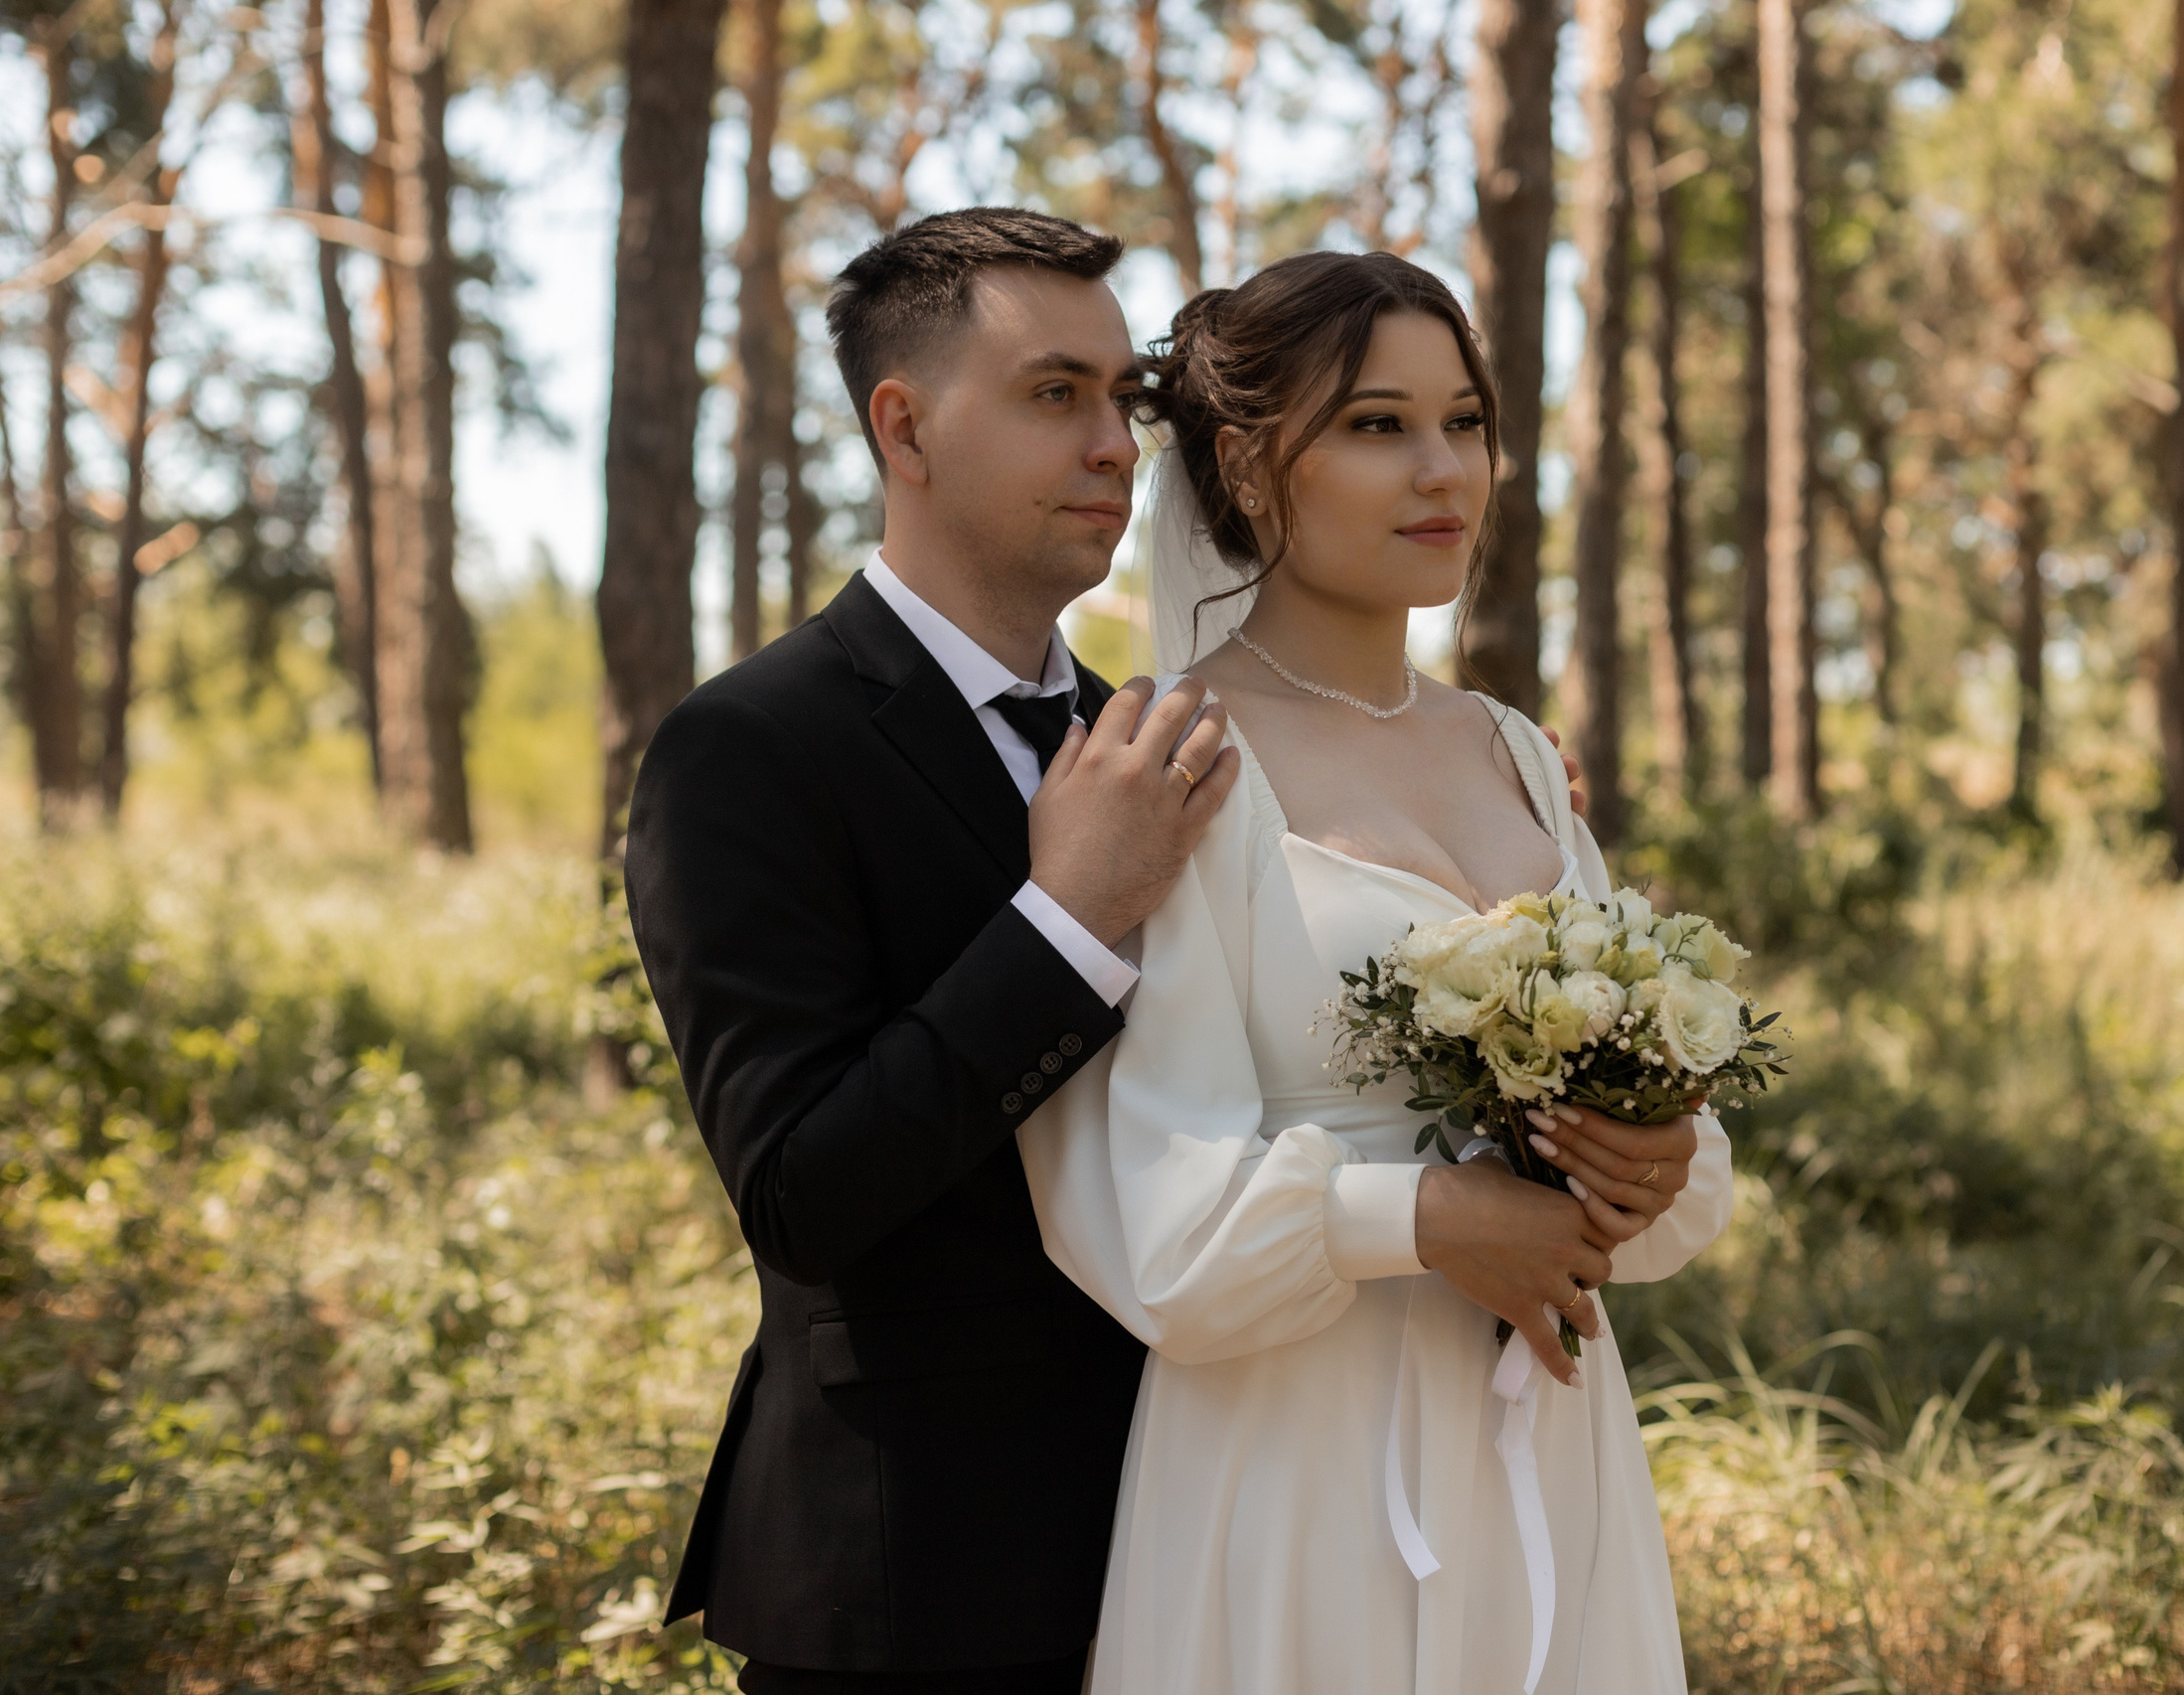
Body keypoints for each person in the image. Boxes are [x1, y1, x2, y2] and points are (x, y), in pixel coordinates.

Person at [623, 211, 1611, 1693]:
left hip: (1249, 1503)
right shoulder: (751, 748)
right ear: (904, 425)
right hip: (924, 1568)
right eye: (1052, 394)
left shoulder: (1173, 735)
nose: (1112, 444)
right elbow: (800, 1189)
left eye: (1120, 402)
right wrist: (1064, 921)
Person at [1018, 250, 1738, 1695]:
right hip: (1300, 1452)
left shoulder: (1518, 751)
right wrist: (1417, 1214)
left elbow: (1684, 1166)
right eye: (1374, 424)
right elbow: (1145, 1222)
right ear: (1247, 462)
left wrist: (1652, 1153)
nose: (1442, 470)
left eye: (1464, 422)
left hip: (1542, 1432)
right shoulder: (1171, 761)